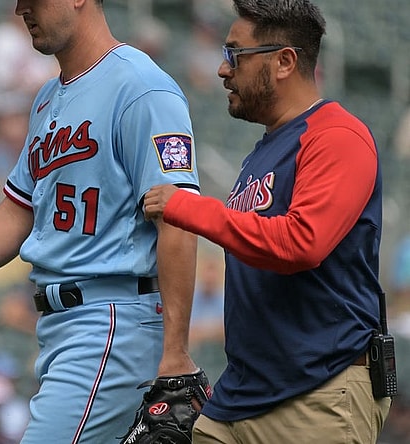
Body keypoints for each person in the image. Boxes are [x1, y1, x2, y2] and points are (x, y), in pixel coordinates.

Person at [0, 0, 201, 441]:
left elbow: (178, 218)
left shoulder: (141, 87)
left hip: (112, 321)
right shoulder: (49, 98)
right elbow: (18, 211)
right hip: (63, 328)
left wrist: (176, 351)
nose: (21, 9)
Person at [141, 1, 393, 442]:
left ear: (284, 61)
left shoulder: (338, 135)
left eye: (235, 54)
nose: (223, 69)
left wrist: (188, 207)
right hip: (242, 394)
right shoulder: (263, 153)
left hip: (318, 393)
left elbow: (301, 244)